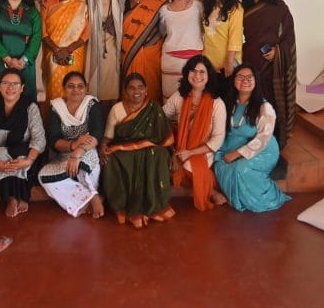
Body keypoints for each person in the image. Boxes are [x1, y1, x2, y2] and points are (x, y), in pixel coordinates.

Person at [100, 73, 175, 229]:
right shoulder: (117, 109)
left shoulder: (154, 108)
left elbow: (164, 137)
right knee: (111, 159)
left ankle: (153, 204)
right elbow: (108, 137)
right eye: (132, 88)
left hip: (150, 151)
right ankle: (123, 206)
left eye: (140, 87)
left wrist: (174, 154)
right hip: (123, 150)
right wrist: (102, 147)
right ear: (125, 91)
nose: (136, 91)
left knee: (160, 154)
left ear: (146, 90)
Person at [214, 64, 291, 212]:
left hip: (262, 149)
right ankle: (236, 197)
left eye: (250, 77)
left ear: (256, 81)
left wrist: (237, 153)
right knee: (219, 165)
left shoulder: (264, 107)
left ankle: (266, 198)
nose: (245, 81)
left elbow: (263, 138)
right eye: (240, 77)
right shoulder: (228, 103)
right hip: (233, 144)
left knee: (240, 169)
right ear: (234, 80)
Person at [0, 69, 47, 217]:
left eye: (15, 84)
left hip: (27, 154)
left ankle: (21, 197)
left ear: (22, 88)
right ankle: (12, 198)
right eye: (6, 83)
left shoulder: (31, 108)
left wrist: (29, 160)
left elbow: (39, 140)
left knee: (20, 156)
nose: (10, 88)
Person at [162, 55, 227, 211]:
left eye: (202, 72)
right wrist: (173, 150)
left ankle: (208, 191)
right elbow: (161, 116)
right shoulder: (180, 96)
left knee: (190, 167)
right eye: (193, 71)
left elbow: (218, 139)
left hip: (204, 150)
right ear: (187, 73)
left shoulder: (217, 103)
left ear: (209, 76)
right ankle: (204, 190)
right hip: (180, 147)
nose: (197, 75)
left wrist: (190, 152)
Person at [242, 0, 296, 148]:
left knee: (270, 104)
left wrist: (277, 51)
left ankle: (273, 142)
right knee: (251, 103)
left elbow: (289, 34)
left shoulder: (278, 6)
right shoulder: (244, 7)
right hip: (249, 62)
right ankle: (252, 140)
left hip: (270, 65)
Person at [38, 71, 105, 218]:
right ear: (64, 89)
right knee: (44, 177)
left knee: (82, 170)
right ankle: (92, 197)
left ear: (86, 89)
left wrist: (77, 153)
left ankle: (88, 199)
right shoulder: (56, 107)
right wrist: (73, 145)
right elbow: (54, 140)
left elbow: (96, 134)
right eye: (71, 86)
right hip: (63, 153)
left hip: (87, 150)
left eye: (80, 86)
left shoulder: (91, 104)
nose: (76, 90)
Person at [83, 0, 128, 107]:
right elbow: (70, 6)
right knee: (94, 79)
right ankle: (95, 111)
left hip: (113, 43)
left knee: (112, 82)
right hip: (92, 44)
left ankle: (111, 113)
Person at [41, 0, 89, 103]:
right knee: (54, 91)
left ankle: (74, 116)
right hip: (53, 54)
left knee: (74, 88)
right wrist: (56, 50)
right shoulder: (47, 5)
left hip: (75, 53)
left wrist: (68, 50)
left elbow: (86, 33)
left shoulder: (82, 6)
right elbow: (43, 32)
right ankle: (54, 116)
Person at [120, 0, 166, 103]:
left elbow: (164, 29)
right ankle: (131, 113)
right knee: (130, 85)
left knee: (151, 86)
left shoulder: (159, 4)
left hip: (151, 55)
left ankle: (151, 112)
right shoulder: (124, 4)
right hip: (128, 52)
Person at [159, 0, 203, 101]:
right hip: (170, 61)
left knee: (193, 99)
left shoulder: (198, 6)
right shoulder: (163, 10)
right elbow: (162, 33)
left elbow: (207, 30)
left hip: (194, 60)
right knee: (170, 100)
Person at [201, 0, 243, 89]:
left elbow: (235, 37)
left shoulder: (235, 7)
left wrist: (229, 62)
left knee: (227, 97)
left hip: (227, 64)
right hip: (208, 63)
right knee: (212, 97)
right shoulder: (206, 5)